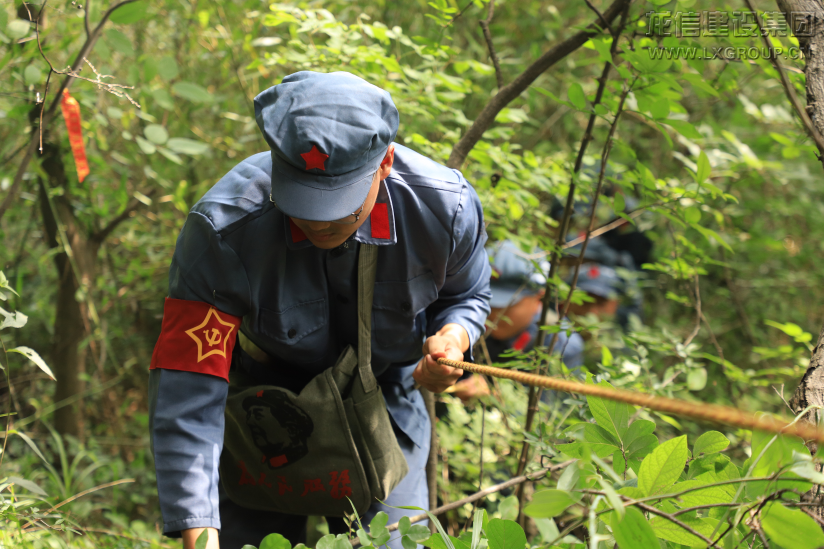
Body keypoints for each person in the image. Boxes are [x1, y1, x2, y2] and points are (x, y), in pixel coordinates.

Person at [148, 71, 491, 549]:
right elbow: (189, 379)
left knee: (389, 542)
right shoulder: (224, 230)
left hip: (384, 399)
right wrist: (197, 524)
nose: (319, 222)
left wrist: (453, 337)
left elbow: (467, 296)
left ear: (385, 163)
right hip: (262, 409)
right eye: (301, 202)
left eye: (340, 205)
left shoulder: (442, 210)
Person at [451, 240, 584, 401]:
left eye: (507, 305)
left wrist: (496, 400)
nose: (492, 313)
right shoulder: (464, 323)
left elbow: (552, 409)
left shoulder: (560, 344)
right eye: (485, 302)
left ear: (538, 297)